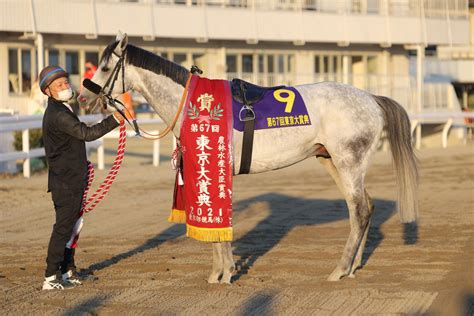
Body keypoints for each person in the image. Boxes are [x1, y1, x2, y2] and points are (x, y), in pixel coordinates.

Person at [39, 65, 124, 290]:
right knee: (64, 229)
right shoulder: (58, 114)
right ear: (48, 91)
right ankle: (50, 277)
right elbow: (86, 134)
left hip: (72, 180)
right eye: (59, 85)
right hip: (65, 183)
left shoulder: (63, 108)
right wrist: (114, 120)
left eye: (66, 82)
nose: (66, 86)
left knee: (74, 228)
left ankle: (67, 270)